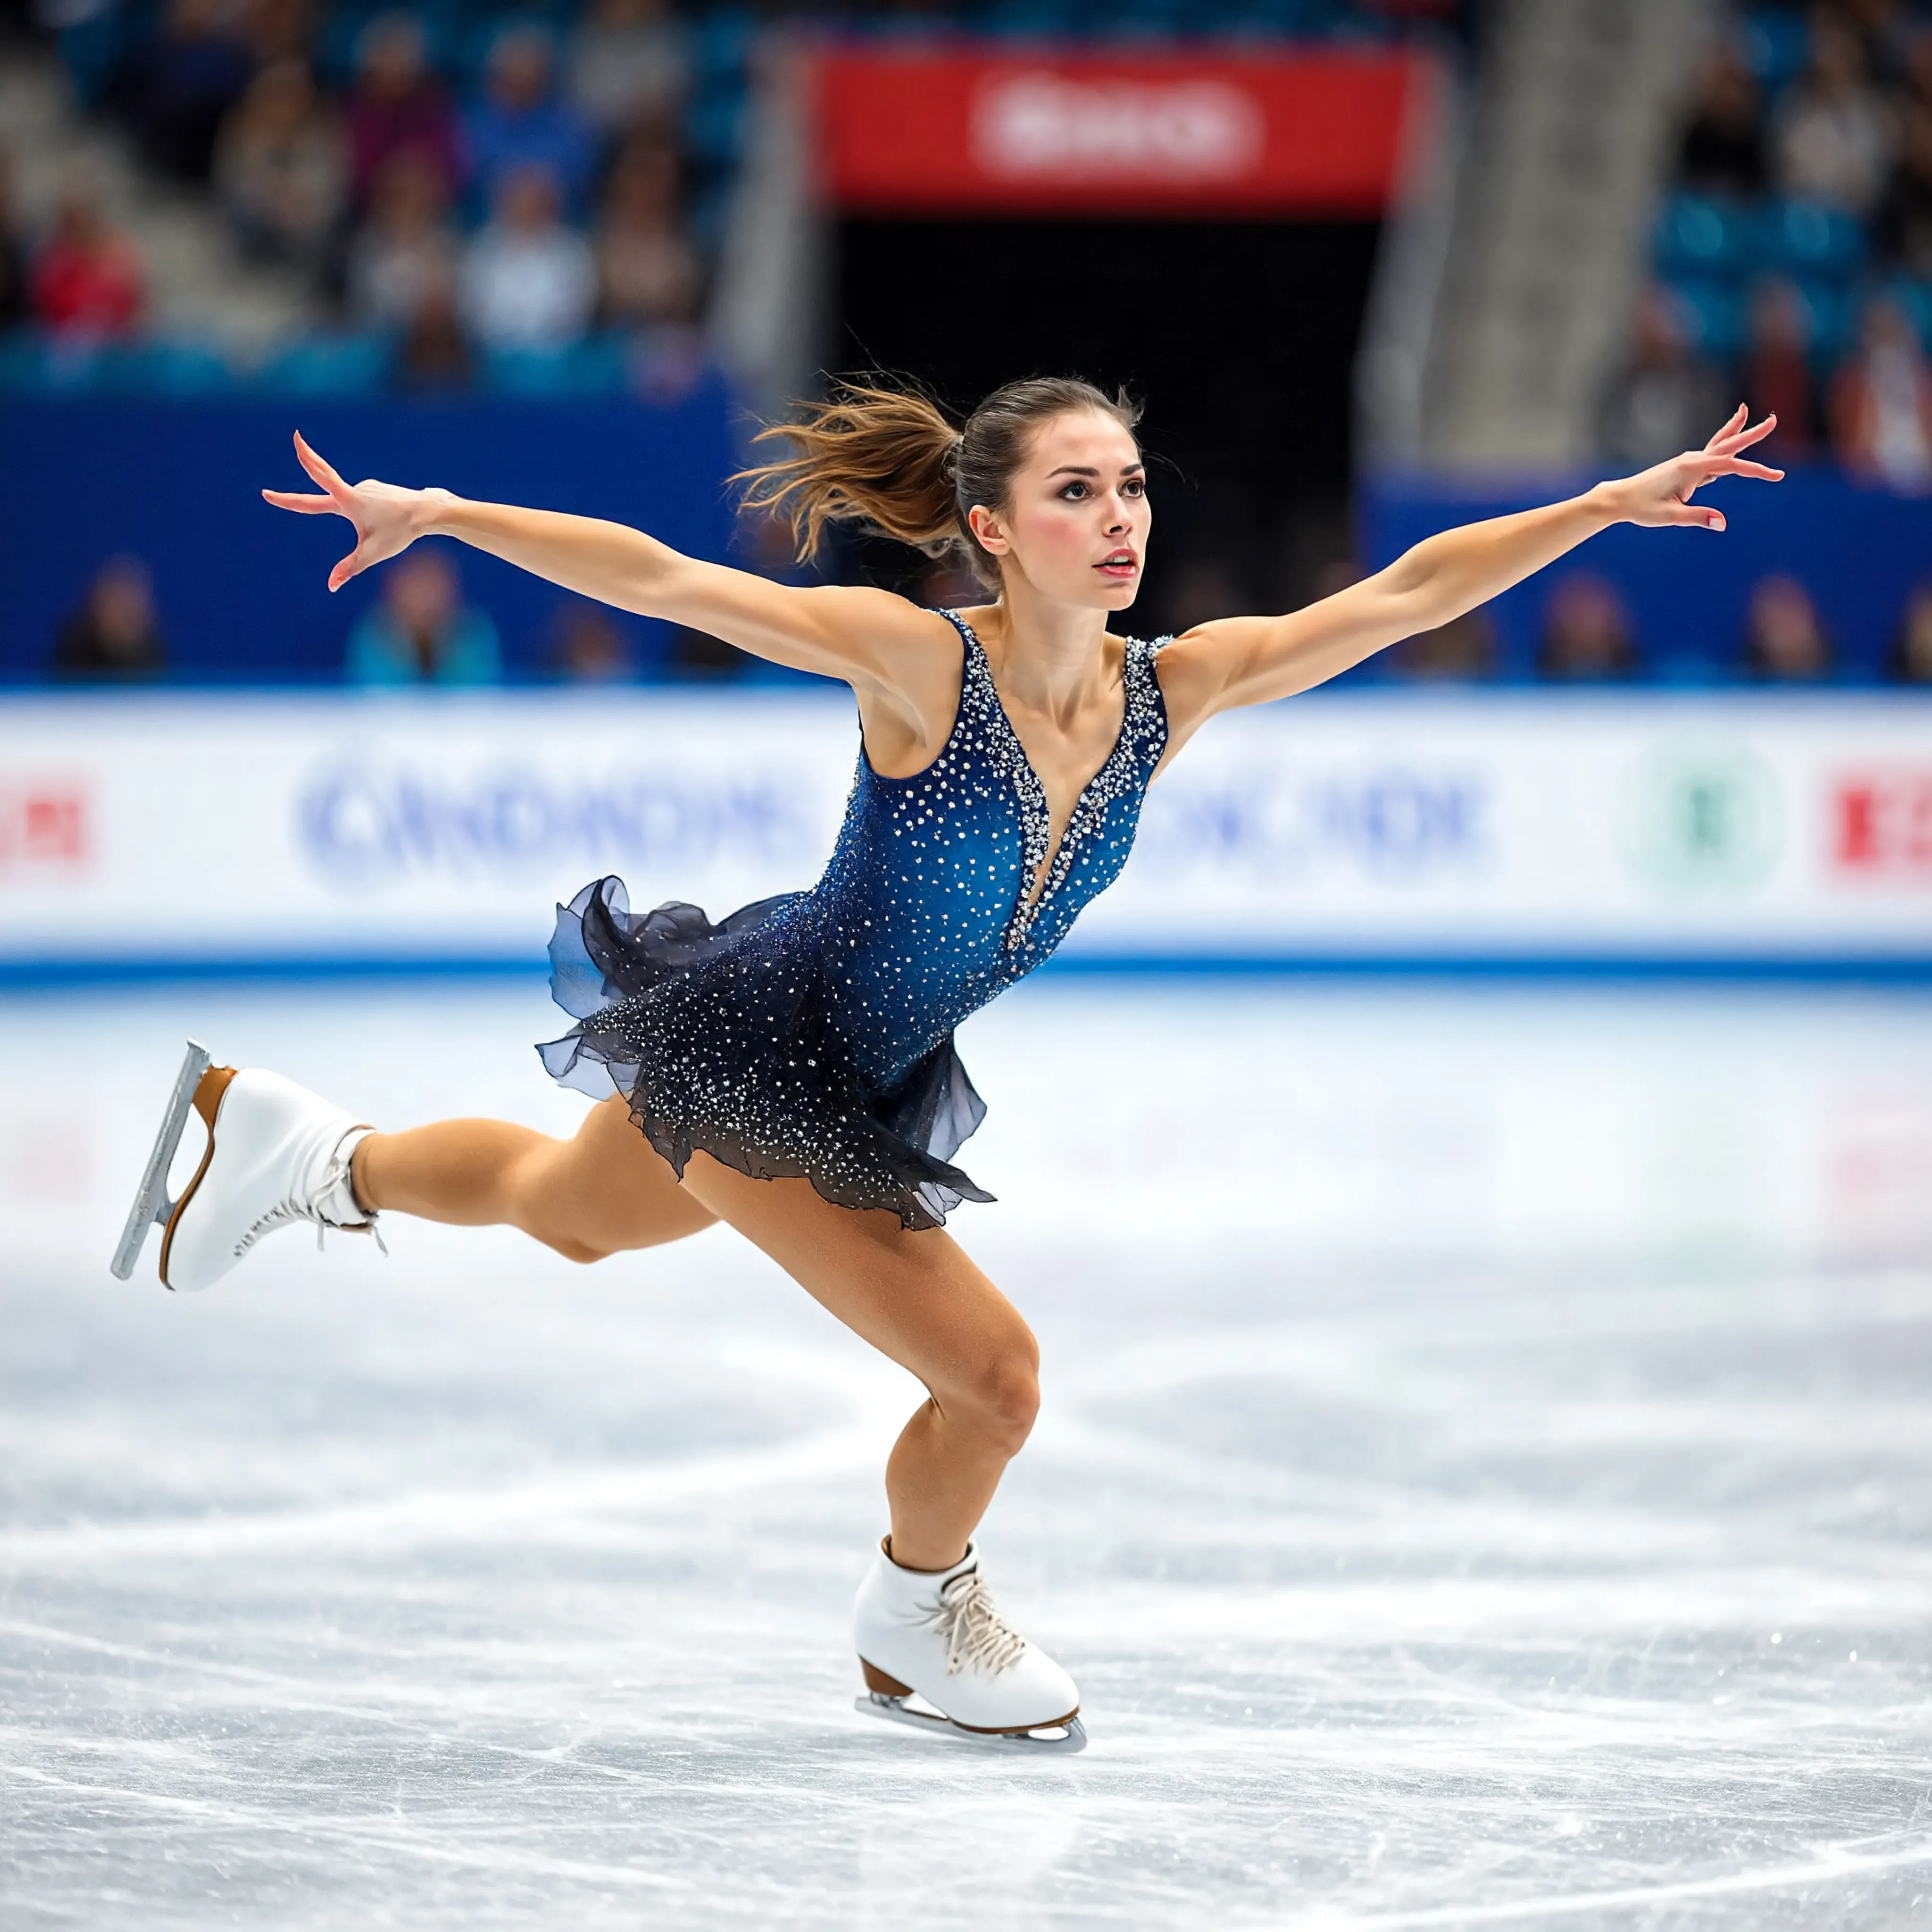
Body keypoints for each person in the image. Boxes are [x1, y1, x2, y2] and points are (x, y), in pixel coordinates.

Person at [132, 384, 1780, 1753]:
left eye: (1129, 485)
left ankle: (301, 1152)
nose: (1118, 517)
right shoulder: (921, 665)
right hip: (767, 1042)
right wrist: (444, 514)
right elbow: (669, 581)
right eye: (1076, 491)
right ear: (992, 527)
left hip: (850, 1059)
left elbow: (1405, 591)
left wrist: (1601, 502)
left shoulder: (1166, 693)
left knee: (575, 1209)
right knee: (995, 1377)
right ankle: (915, 1606)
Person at [214, 59, 346, 270]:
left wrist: (298, 201)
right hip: (260, 216)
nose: (285, 102)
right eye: (278, 94)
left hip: (306, 219)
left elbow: (332, 184)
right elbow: (233, 181)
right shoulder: (242, 131)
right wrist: (271, 198)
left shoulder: (324, 132)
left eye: (292, 95)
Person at [458, 164, 596, 352]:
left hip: (556, 357)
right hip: (492, 356)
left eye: (534, 201)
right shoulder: (482, 251)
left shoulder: (572, 252)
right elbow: (471, 310)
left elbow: (577, 312)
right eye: (519, 200)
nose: (526, 208)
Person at [461, 24, 595, 216]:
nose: (522, 76)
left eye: (530, 69)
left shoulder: (569, 122)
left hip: (555, 223)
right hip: (490, 222)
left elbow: (578, 174)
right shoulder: (477, 121)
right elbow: (470, 175)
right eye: (515, 68)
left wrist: (537, 185)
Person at [1772, 11, 1894, 216]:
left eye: (1842, 53)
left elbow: (1875, 178)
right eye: (1828, 52)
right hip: (1807, 217)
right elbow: (1789, 174)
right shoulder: (1793, 109)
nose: (1834, 62)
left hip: (1863, 220)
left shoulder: (1874, 111)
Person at [343, 12, 463, 212]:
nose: (395, 66)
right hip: (371, 212)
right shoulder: (355, 110)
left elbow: (453, 167)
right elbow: (354, 173)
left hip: (431, 210)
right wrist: (390, 178)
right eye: (387, 55)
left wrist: (418, 174)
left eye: (402, 56)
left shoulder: (434, 106)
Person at [344, 547, 499, 684]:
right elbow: (373, 690)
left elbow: (476, 688)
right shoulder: (375, 633)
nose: (424, 593)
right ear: (394, 586)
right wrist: (404, 645)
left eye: (432, 582)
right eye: (416, 582)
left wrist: (442, 642)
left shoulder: (473, 631)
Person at [1830, 294, 1932, 490]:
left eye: (1893, 329)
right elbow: (1851, 449)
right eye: (1881, 331)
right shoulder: (1852, 381)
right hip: (1874, 482)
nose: (1888, 337)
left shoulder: (1924, 381)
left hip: (1923, 481)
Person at [31, 183, 144, 340]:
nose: (80, 225)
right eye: (73, 220)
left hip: (113, 347)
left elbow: (133, 308)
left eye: (84, 217)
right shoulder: (53, 263)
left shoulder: (117, 260)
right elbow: (43, 313)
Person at [50, 555, 167, 682]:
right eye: (116, 600)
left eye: (132, 601)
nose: (124, 608)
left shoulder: (155, 655)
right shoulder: (73, 654)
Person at [1538, 571, 1638, 680]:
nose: (1583, 616)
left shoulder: (1642, 680)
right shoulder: (1529, 679)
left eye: (1592, 608)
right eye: (1575, 610)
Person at [1744, 572, 1833, 679]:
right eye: (1778, 624)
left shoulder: (1849, 689)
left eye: (1794, 617)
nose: (1788, 633)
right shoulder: (1735, 689)